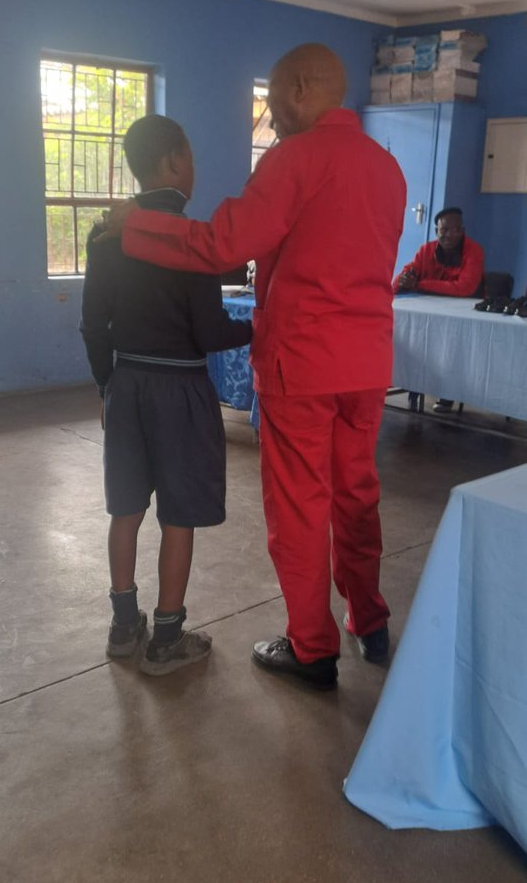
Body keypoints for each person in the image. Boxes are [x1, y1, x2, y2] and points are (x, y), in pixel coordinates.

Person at [117, 44, 406, 689]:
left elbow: (222, 244)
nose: (272, 120)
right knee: (356, 495)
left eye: (273, 103)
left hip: (302, 366)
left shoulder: (294, 159)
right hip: (366, 365)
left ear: (301, 88)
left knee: (300, 508)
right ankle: (369, 620)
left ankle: (312, 649)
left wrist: (136, 225)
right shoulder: (387, 167)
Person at [80, 114, 252, 676]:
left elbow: (92, 325)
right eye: (192, 158)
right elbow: (210, 333)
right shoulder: (191, 239)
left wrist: (108, 386)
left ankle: (122, 628)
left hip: (127, 384)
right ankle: (167, 639)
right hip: (181, 390)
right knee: (178, 516)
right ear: (175, 161)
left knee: (126, 509)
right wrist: (258, 326)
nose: (194, 168)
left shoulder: (106, 236)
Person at [393, 208, 484, 411]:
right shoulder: (426, 250)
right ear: (436, 231)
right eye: (444, 230)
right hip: (431, 313)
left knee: (451, 344)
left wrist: (420, 285)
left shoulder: (474, 251)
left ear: (462, 231)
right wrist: (404, 280)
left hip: (463, 315)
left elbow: (465, 287)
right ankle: (408, 380)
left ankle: (448, 392)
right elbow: (399, 281)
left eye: (455, 230)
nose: (449, 235)